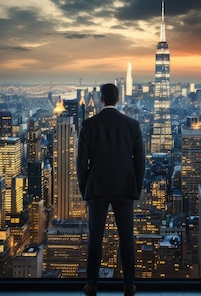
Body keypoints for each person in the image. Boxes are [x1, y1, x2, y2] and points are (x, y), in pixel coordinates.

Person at [77, 83, 145, 296]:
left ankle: (92, 285)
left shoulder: (89, 125)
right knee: (126, 237)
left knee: (95, 237)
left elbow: (81, 163)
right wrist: (135, 188)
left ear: (101, 100)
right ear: (118, 99)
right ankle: (129, 285)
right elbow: (140, 162)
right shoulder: (132, 125)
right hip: (125, 187)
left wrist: (85, 189)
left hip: (97, 188)